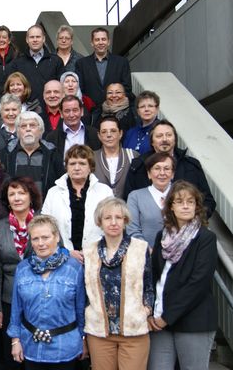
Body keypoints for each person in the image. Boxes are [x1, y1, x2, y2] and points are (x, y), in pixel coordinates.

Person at [148, 181, 217, 370]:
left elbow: (198, 284)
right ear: (171, 206)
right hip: (159, 321)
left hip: (193, 321)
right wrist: (151, 312)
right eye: (179, 201)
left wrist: (168, 317)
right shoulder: (161, 236)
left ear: (197, 206)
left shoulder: (205, 238)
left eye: (190, 202)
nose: (185, 206)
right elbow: (154, 277)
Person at [83, 197, 154, 370]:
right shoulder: (89, 250)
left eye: (118, 217)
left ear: (125, 221)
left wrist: (146, 311)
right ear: (100, 222)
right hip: (99, 332)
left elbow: (149, 285)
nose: (113, 222)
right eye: (107, 218)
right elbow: (84, 291)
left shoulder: (141, 248)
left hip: (134, 330)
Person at [8, 215, 86, 369]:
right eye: (35, 239)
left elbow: (80, 309)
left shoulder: (74, 268)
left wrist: (83, 339)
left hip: (65, 348)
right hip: (31, 346)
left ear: (56, 237)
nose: (41, 243)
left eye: (45, 237)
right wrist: (15, 341)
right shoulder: (23, 269)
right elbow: (16, 309)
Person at [0, 177, 43, 369]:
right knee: (12, 355)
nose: (17, 198)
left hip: (39, 299)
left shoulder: (44, 223)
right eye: (12, 194)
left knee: (35, 353)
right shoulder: (1, 227)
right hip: (8, 300)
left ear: (31, 197)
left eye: (22, 193)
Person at [123, 119, 217, 217]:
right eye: (159, 136)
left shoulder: (191, 165)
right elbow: (128, 201)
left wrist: (195, 221)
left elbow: (208, 201)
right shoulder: (139, 166)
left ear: (175, 139)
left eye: (168, 135)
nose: (164, 139)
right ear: (152, 142)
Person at [42, 144, 114, 260]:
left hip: (98, 257)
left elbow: (112, 225)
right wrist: (66, 252)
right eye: (72, 163)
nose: (76, 168)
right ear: (66, 167)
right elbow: (45, 227)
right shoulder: (53, 192)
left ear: (90, 167)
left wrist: (93, 252)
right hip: (61, 258)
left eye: (82, 163)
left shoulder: (104, 192)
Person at [2, 111, 63, 198]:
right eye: (23, 126)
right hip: (15, 207)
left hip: (45, 209)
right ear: (18, 131)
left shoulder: (52, 154)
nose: (28, 129)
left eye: (32, 125)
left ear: (40, 130)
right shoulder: (7, 154)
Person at [75, 27, 133, 108]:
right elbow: (80, 90)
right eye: (97, 40)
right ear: (92, 43)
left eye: (103, 39)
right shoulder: (81, 64)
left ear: (108, 42)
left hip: (116, 110)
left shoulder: (122, 62)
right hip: (91, 111)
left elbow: (127, 88)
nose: (101, 42)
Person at [127, 152, 175, 248]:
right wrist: (150, 253)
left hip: (180, 257)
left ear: (173, 174)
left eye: (166, 169)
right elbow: (132, 231)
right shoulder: (135, 196)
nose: (162, 173)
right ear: (149, 174)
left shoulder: (182, 195)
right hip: (146, 257)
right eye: (157, 168)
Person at [7, 24, 65, 102]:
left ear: (43, 39)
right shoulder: (17, 62)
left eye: (38, 37)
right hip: (26, 109)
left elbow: (62, 87)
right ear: (27, 40)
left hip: (50, 108)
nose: (35, 40)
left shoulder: (56, 61)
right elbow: (12, 88)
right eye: (32, 37)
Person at [93, 116, 138, 198]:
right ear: (99, 136)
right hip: (99, 208)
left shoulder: (132, 155)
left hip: (127, 208)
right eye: (104, 132)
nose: (109, 135)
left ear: (120, 133)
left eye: (113, 131)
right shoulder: (92, 157)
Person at [123, 90, 161, 154]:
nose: (146, 109)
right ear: (138, 111)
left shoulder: (161, 131)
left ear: (157, 109)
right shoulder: (130, 133)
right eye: (142, 106)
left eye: (150, 106)